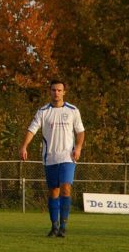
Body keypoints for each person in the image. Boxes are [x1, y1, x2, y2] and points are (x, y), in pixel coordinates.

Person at [19, 80, 85, 237]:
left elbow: (80, 131)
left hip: (68, 157)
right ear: (50, 92)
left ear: (64, 92)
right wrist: (24, 146)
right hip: (50, 158)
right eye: (54, 90)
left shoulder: (72, 110)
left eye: (59, 90)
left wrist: (79, 147)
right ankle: (54, 227)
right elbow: (32, 129)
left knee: (66, 188)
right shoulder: (43, 112)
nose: (56, 93)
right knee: (53, 192)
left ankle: (63, 227)